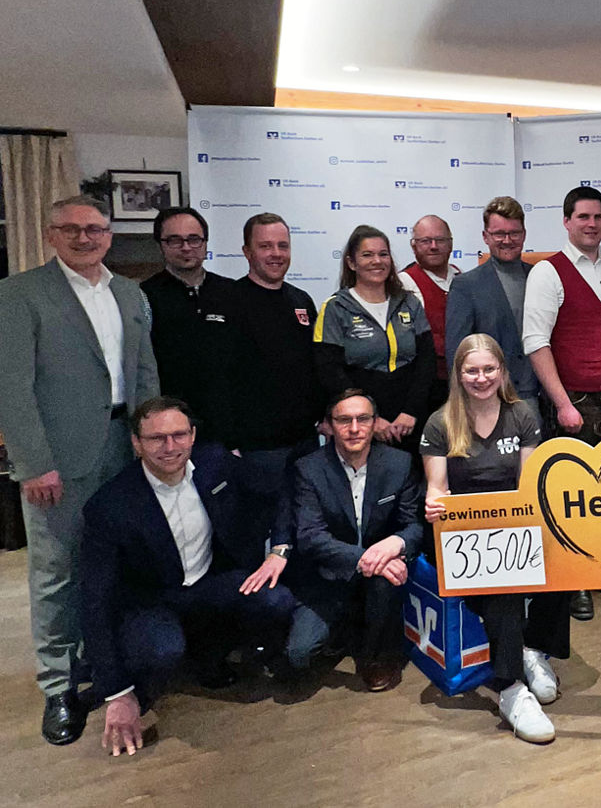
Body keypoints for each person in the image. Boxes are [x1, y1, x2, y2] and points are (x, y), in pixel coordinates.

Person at [0, 195, 158, 746]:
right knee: (57, 569)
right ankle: (59, 685)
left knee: (117, 562)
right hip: (57, 460)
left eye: (94, 229)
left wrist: (153, 437)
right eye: (71, 229)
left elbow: (144, 371)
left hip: (125, 445)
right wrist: (33, 464)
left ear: (110, 235)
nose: (84, 238)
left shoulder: (128, 292)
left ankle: (107, 664)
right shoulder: (19, 294)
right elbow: (11, 389)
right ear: (50, 235)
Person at [80, 398, 297, 757]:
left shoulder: (216, 463)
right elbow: (94, 600)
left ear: (193, 435)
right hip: (152, 599)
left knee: (276, 600)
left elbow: (280, 490)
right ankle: (142, 689)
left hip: (211, 582)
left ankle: (209, 653)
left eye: (179, 435)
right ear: (136, 442)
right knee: (162, 649)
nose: (170, 447)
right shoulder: (110, 505)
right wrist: (117, 693)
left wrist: (280, 550)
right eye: (156, 438)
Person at [423, 334, 569, 743]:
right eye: (472, 370)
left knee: (566, 558)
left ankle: (534, 650)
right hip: (465, 540)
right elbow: (437, 487)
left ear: (503, 372)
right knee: (502, 585)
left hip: (515, 527)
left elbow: (530, 483)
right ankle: (510, 688)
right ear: (459, 374)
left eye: (489, 369)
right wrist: (435, 504)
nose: (481, 377)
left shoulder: (522, 415)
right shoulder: (440, 423)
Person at [522, 185, 601, 621]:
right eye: (582, 218)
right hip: (575, 401)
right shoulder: (547, 272)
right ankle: (577, 581)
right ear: (566, 221)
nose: (591, 225)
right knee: (574, 495)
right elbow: (535, 342)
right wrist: (561, 403)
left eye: (597, 217)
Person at [286, 389, 424, 691]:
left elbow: (413, 525)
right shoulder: (308, 469)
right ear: (328, 425)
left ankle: (375, 656)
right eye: (343, 420)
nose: (354, 428)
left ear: (375, 423)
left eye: (363, 419)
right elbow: (310, 537)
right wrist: (365, 559)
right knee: (299, 655)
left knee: (389, 575)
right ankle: (345, 629)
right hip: (328, 577)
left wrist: (395, 544)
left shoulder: (399, 464)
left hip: (382, 575)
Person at [223, 212, 324, 559]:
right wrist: (231, 442)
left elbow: (313, 370)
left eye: (282, 245)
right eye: (265, 246)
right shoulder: (228, 300)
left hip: (306, 445)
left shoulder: (302, 301)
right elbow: (220, 377)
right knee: (257, 541)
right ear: (246, 251)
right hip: (255, 451)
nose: (276, 253)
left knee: (306, 533)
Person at [315, 225, 436, 455]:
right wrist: (371, 418)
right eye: (367, 255)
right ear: (352, 263)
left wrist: (411, 411)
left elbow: (426, 361)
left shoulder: (410, 303)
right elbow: (328, 370)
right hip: (358, 426)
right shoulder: (335, 308)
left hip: (410, 423)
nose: (377, 261)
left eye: (383, 254)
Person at [140, 206, 239, 445]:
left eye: (194, 239)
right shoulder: (144, 296)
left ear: (205, 243)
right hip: (169, 432)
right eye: (174, 240)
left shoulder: (231, 292)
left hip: (227, 426)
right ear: (160, 245)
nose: (186, 247)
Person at [445, 196, 539, 407]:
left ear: (524, 235)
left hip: (543, 398)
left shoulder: (540, 277)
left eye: (514, 233)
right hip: (490, 400)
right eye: (499, 234)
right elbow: (456, 355)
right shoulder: (465, 286)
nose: (507, 240)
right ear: (485, 236)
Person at [399, 214, 459, 412]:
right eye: (425, 241)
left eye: (440, 240)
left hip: (465, 381)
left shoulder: (461, 277)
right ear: (414, 245)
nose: (434, 246)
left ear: (450, 244)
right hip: (426, 385)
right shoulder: (403, 284)